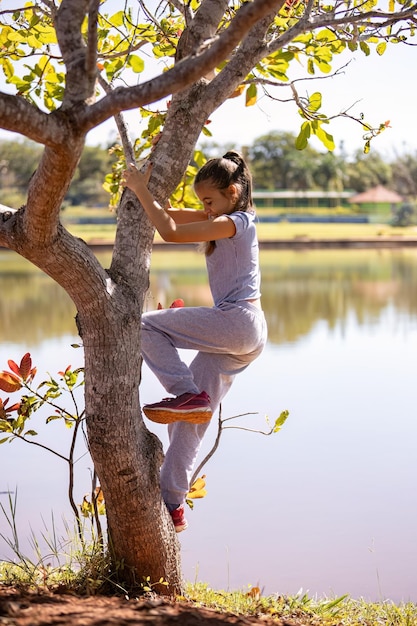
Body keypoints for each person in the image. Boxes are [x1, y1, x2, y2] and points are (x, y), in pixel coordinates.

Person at [122, 151, 267, 532]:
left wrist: (138, 186)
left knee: (145, 325)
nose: (204, 208)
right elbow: (168, 218)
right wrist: (148, 195)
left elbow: (169, 232)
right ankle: (172, 503)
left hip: (237, 321)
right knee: (192, 422)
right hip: (246, 333)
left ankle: (186, 392)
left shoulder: (234, 222)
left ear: (233, 192)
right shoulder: (223, 218)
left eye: (208, 201)